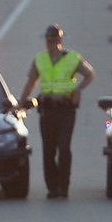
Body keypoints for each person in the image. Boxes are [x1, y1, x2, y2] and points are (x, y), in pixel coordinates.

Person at [25, 24, 93, 198]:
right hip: (47, 110)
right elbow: (31, 82)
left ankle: (64, 187)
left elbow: (89, 74)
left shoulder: (72, 58)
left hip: (65, 111)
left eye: (54, 41)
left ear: (60, 41)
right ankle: (52, 188)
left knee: (64, 148)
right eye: (49, 41)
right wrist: (20, 102)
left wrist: (79, 89)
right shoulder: (40, 59)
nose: (51, 44)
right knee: (48, 150)